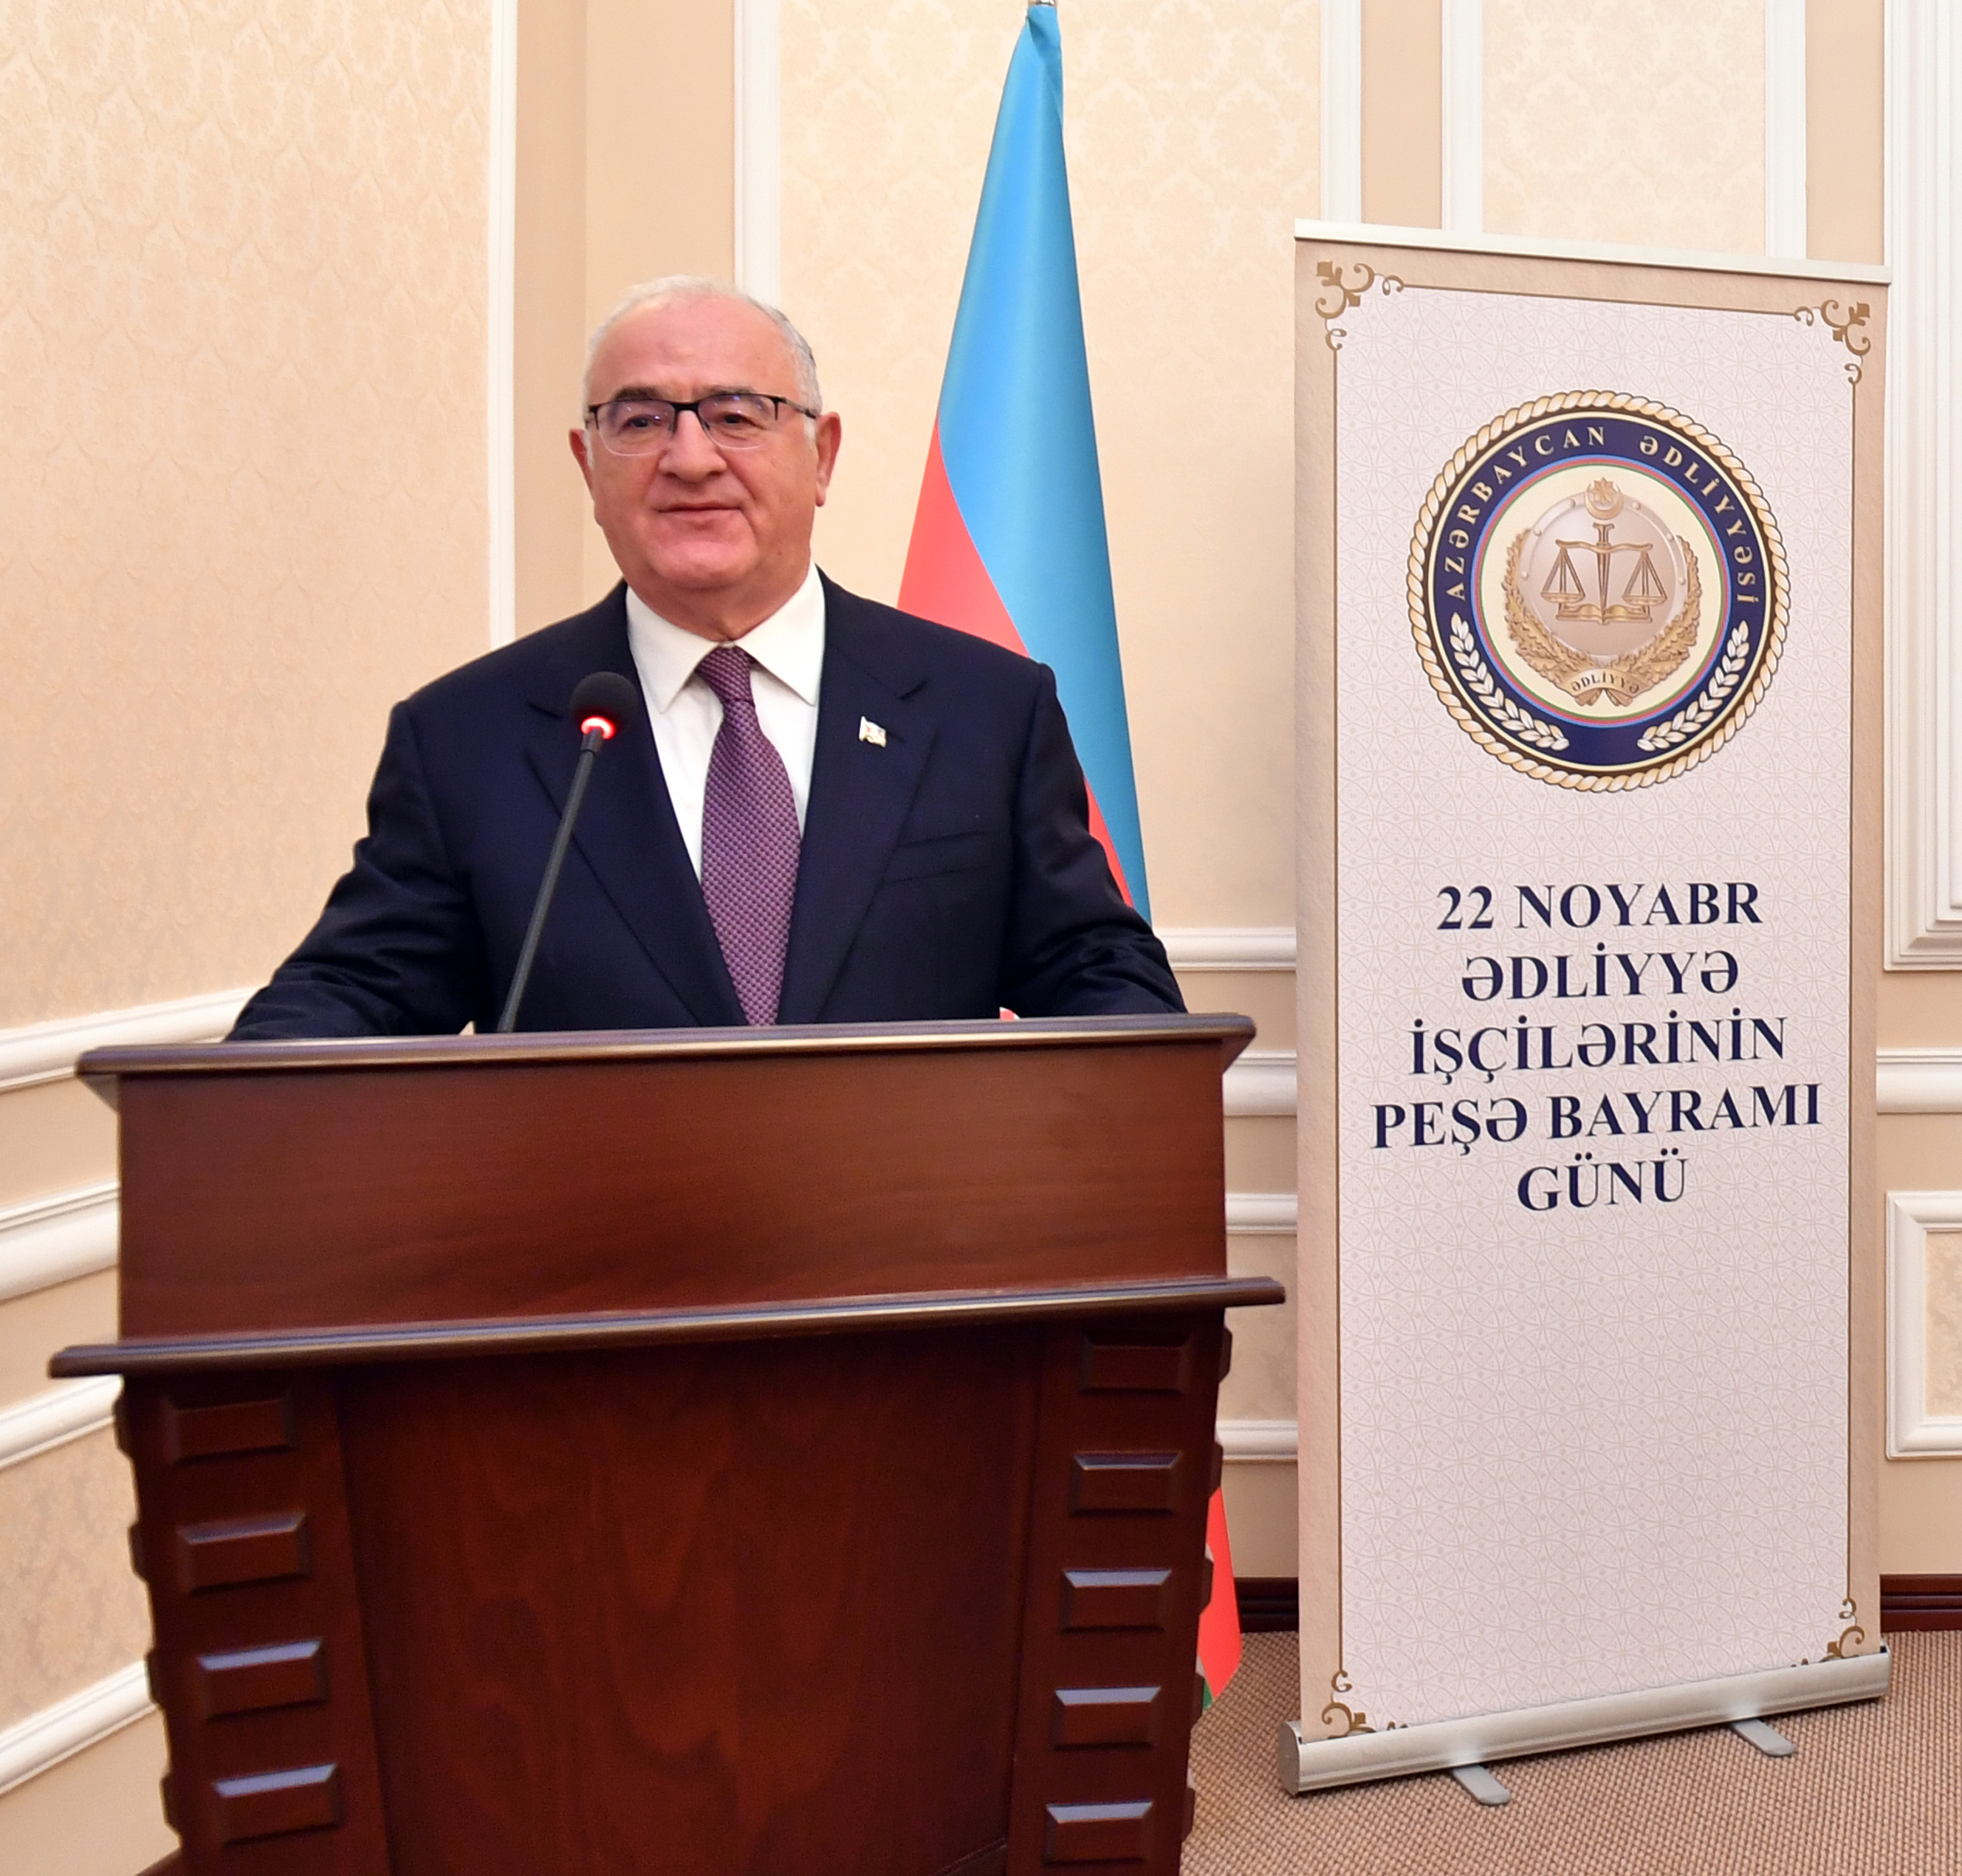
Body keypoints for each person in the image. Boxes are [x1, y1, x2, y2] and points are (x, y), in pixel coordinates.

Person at [230, 278, 1181, 1039]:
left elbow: (1096, 972)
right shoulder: (464, 738)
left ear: (822, 457)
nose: (689, 459)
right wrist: (227, 1107)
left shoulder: (986, 708)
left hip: (904, 1225)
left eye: (736, 414)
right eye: (640, 421)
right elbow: (355, 996)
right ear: (588, 465)